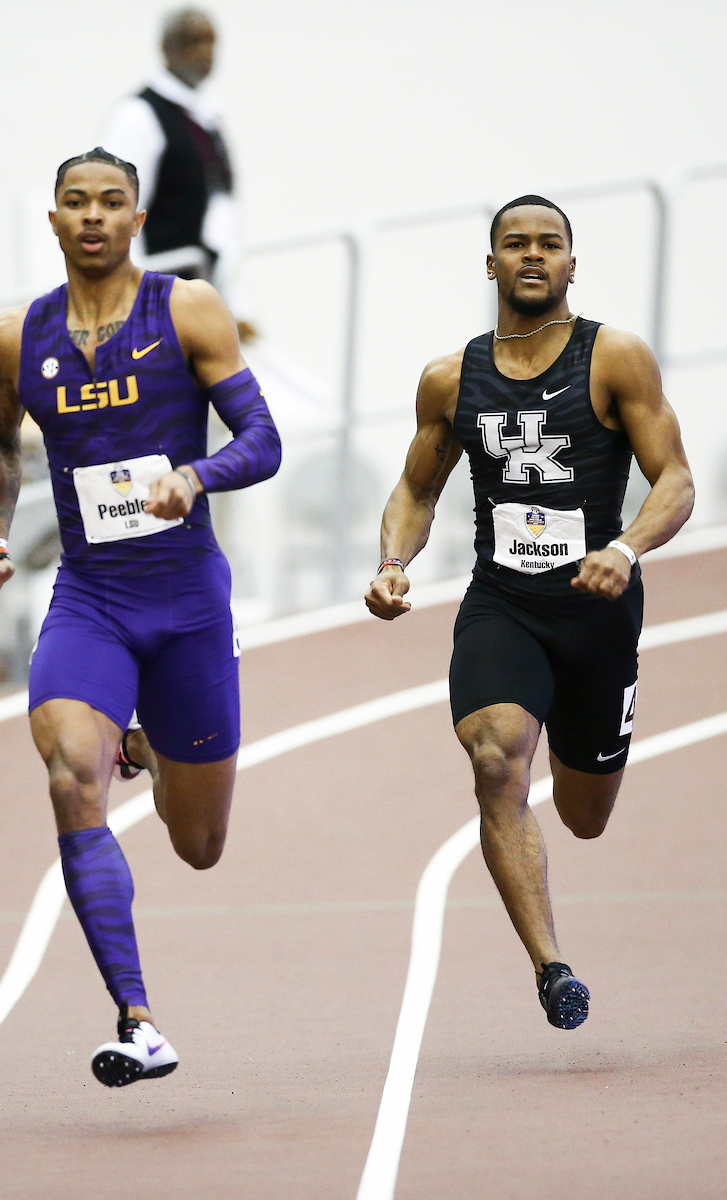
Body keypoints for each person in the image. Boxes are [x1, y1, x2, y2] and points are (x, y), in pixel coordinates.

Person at [0, 147, 281, 1085]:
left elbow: (261, 440)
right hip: (92, 601)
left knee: (199, 846)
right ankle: (138, 1017)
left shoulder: (186, 308)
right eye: (77, 203)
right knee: (69, 776)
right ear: (56, 220)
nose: (95, 216)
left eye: (113, 202)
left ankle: (150, 743)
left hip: (187, 605)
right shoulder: (16, 338)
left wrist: (198, 475)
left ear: (137, 220)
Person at [365, 195, 694, 1029]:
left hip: (598, 611)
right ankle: (553, 968)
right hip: (501, 605)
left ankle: (586, 748)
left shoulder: (614, 358)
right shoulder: (451, 378)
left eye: (551, 244)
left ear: (573, 265)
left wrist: (622, 551)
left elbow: (677, 482)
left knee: (585, 816)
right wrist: (394, 563)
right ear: (492, 265)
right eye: (516, 244)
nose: (534, 256)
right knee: (496, 759)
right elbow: (415, 488)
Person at [101, 7, 255, 338]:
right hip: (158, 300)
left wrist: (235, 306)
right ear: (167, 48)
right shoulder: (138, 116)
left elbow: (221, 216)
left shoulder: (208, 117)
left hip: (200, 294)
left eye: (211, 41)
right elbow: (115, 214)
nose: (205, 52)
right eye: (193, 41)